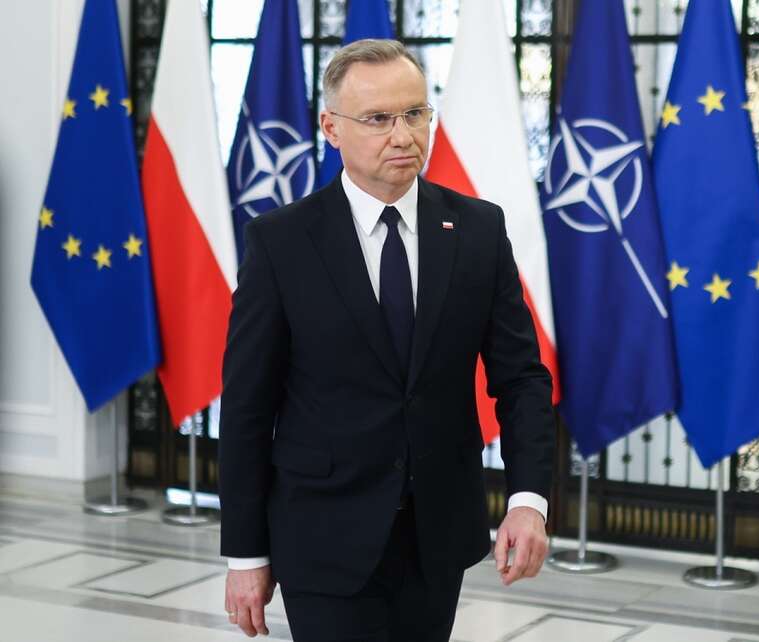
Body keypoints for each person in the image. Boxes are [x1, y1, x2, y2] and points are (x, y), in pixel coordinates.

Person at [218, 39, 556, 641]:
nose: (403, 136)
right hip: (321, 536)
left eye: (415, 114)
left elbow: (522, 377)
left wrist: (528, 499)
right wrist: (245, 554)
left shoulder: (478, 230)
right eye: (378, 119)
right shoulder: (281, 243)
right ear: (332, 128)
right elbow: (248, 406)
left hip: (436, 536)